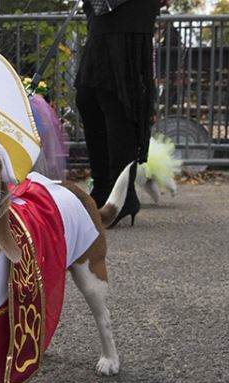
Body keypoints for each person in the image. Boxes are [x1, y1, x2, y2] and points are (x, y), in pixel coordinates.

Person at [75, 0, 166, 227]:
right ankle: (104, 188)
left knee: (116, 100)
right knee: (88, 98)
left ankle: (122, 195)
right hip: (102, 14)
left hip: (128, 16)